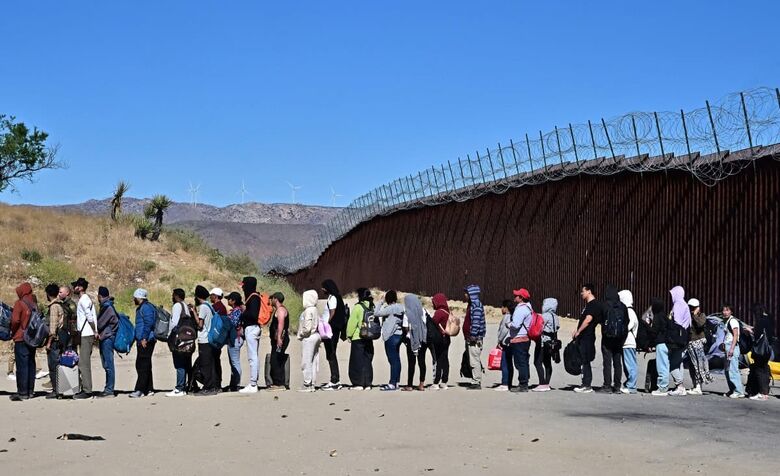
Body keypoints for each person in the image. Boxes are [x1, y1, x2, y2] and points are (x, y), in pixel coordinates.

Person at [9, 282, 37, 401]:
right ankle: (30, 391)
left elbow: (15, 320)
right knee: (31, 364)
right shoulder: (34, 303)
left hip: (21, 338)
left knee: (22, 366)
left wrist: (12, 331)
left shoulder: (19, 303)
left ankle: (22, 392)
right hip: (32, 338)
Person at [573, 283, 601, 394]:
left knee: (586, 360)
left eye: (583, 291)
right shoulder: (588, 305)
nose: (581, 293)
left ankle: (587, 385)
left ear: (589, 291)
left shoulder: (593, 305)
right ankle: (584, 383)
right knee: (583, 360)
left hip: (587, 336)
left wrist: (579, 331)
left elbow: (588, 319)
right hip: (584, 336)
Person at [72, 277, 97, 400]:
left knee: (83, 363)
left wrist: (95, 331)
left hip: (87, 334)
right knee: (83, 362)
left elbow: (90, 317)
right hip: (86, 334)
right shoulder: (84, 299)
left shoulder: (84, 299)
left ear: (80, 288)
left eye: (76, 286)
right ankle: (85, 388)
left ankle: (87, 391)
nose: (74, 288)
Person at [375, 290, 404, 391]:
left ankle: (392, 383)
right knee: (396, 359)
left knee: (392, 360)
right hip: (399, 335)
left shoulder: (390, 308)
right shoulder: (401, 307)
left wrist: (381, 302)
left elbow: (376, 313)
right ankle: (396, 382)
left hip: (391, 336)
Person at [664, 286, 691, 396]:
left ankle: (680, 386)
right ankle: (679, 387)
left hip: (677, 339)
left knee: (673, 364)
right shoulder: (684, 304)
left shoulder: (678, 305)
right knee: (679, 363)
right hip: (684, 338)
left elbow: (677, 322)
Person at [346, 288, 374, 390]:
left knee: (356, 361)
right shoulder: (372, 306)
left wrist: (349, 335)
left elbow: (352, 323)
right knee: (367, 361)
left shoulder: (358, 307)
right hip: (369, 336)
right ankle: (367, 383)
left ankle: (358, 383)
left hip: (358, 337)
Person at [130, 288, 156, 398]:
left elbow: (148, 323)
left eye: (135, 298)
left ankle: (140, 389)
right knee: (146, 365)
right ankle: (149, 389)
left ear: (139, 298)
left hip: (146, 340)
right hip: (143, 339)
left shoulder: (146, 308)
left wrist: (144, 338)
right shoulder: (143, 307)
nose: (133, 299)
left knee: (142, 365)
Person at [506, 288, 534, 393]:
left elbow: (516, 325)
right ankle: (524, 382)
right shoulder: (528, 308)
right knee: (524, 362)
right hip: (525, 339)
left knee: (520, 362)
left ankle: (523, 384)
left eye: (517, 295)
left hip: (519, 339)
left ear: (521, 298)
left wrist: (508, 324)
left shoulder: (521, 309)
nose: (515, 297)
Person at [321, 279, 347, 390]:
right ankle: (335, 379)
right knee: (331, 354)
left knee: (331, 354)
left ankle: (334, 380)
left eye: (323, 287)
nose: (322, 289)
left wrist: (326, 325)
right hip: (334, 329)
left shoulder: (332, 298)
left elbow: (332, 313)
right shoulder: (337, 297)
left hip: (331, 330)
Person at [193, 285, 219, 396]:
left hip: (204, 339)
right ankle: (213, 386)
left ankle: (208, 387)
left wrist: (194, 313)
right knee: (210, 363)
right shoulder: (209, 306)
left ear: (197, 296)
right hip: (210, 339)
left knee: (205, 365)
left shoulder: (203, 307)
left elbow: (200, 325)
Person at [601, 285, 627, 394]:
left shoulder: (605, 305)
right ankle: (617, 386)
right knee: (617, 362)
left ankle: (607, 385)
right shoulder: (623, 306)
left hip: (607, 338)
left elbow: (601, 319)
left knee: (607, 362)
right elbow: (626, 322)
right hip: (619, 338)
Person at [167, 288, 192, 397]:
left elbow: (174, 323)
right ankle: (186, 386)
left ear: (176, 296)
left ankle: (179, 388)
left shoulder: (177, 306)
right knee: (186, 363)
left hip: (179, 339)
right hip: (187, 338)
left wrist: (168, 334)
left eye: (173, 295)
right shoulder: (185, 306)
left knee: (179, 363)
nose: (172, 297)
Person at [239, 277, 261, 394]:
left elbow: (253, 315)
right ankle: (253, 382)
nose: (242, 287)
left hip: (252, 328)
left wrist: (243, 312)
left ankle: (253, 384)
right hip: (253, 328)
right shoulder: (253, 297)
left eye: (244, 285)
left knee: (253, 357)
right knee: (254, 356)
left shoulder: (253, 298)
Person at [747, 304, 774, 401]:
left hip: (760, 351)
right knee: (764, 369)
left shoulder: (761, 321)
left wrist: (750, 331)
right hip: (767, 350)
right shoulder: (769, 320)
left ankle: (762, 394)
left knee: (759, 370)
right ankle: (765, 392)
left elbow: (757, 334)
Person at [686, 298, 713, 395]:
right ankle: (695, 385)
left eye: (693, 307)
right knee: (692, 365)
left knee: (699, 365)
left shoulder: (702, 316)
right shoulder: (688, 315)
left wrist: (694, 315)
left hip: (698, 342)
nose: (691, 309)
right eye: (690, 307)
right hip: (690, 343)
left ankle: (698, 386)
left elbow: (700, 324)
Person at [44, 283, 66, 398]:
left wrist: (48, 343)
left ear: (48, 294)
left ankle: (56, 390)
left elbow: (53, 329)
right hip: (61, 339)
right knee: (58, 365)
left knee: (53, 366)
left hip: (54, 341)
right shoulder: (60, 305)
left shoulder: (53, 307)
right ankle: (60, 389)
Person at [96, 286, 119, 398]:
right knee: (106, 364)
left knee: (108, 364)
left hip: (107, 338)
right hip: (106, 337)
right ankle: (108, 388)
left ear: (100, 296)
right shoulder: (107, 306)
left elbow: (100, 324)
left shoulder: (107, 307)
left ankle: (109, 390)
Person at [402, 294, 428, 391]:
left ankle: (409, 385)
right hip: (422, 338)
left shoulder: (407, 313)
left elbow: (405, 327)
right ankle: (421, 384)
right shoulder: (423, 310)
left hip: (411, 340)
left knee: (411, 363)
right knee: (422, 362)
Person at [298, 289, 321, 392]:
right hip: (316, 335)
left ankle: (307, 383)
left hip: (309, 337)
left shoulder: (308, 311)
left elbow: (307, 327)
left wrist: (301, 334)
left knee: (306, 361)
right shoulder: (315, 309)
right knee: (313, 361)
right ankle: (312, 383)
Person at [534, 297, 559, 392]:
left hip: (543, 342)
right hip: (551, 342)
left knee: (537, 362)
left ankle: (542, 383)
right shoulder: (555, 317)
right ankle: (547, 383)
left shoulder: (544, 316)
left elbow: (539, 328)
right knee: (547, 363)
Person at [463, 285, 486, 390]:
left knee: (474, 360)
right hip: (470, 338)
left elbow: (476, 322)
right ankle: (474, 379)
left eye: (466, 293)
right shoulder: (471, 305)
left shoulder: (476, 305)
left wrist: (473, 335)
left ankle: (476, 382)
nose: (465, 295)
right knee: (472, 359)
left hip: (474, 339)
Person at [722, 304, 745, 398]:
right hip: (728, 346)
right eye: (724, 310)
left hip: (732, 346)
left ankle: (739, 391)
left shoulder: (733, 321)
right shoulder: (726, 321)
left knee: (733, 370)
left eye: (727, 310)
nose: (725, 312)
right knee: (727, 370)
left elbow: (735, 335)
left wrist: (731, 349)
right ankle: (732, 389)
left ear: (731, 311)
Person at [268, 292, 290, 390]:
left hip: (280, 339)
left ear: (276, 299)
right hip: (278, 339)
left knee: (275, 360)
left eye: (272, 298)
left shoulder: (281, 310)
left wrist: (279, 338)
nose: (271, 300)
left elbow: (281, 324)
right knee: (276, 359)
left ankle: (279, 383)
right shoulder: (278, 309)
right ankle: (278, 383)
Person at [619, 290, 638, 394]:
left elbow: (628, 326)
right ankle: (629, 384)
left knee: (630, 365)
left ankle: (631, 386)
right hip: (626, 342)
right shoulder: (629, 311)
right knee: (627, 365)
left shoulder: (629, 312)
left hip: (628, 342)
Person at [430, 293, 451, 390]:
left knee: (438, 360)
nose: (433, 304)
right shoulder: (447, 311)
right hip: (447, 338)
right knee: (445, 359)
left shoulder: (439, 312)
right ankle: (444, 382)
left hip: (439, 339)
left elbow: (433, 323)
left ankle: (436, 382)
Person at [225, 292, 244, 392]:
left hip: (235, 338)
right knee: (233, 362)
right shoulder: (237, 310)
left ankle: (236, 384)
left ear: (233, 301)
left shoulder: (237, 311)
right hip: (235, 338)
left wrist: (227, 317)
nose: (228, 301)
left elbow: (233, 323)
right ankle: (233, 384)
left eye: (229, 299)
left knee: (235, 362)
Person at [494, 299, 514, 392]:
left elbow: (503, 330)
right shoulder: (513, 316)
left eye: (502, 307)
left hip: (506, 342)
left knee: (505, 363)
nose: (501, 309)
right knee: (509, 363)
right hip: (511, 342)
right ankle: (509, 382)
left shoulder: (507, 317)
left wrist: (499, 340)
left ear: (506, 308)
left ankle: (505, 383)